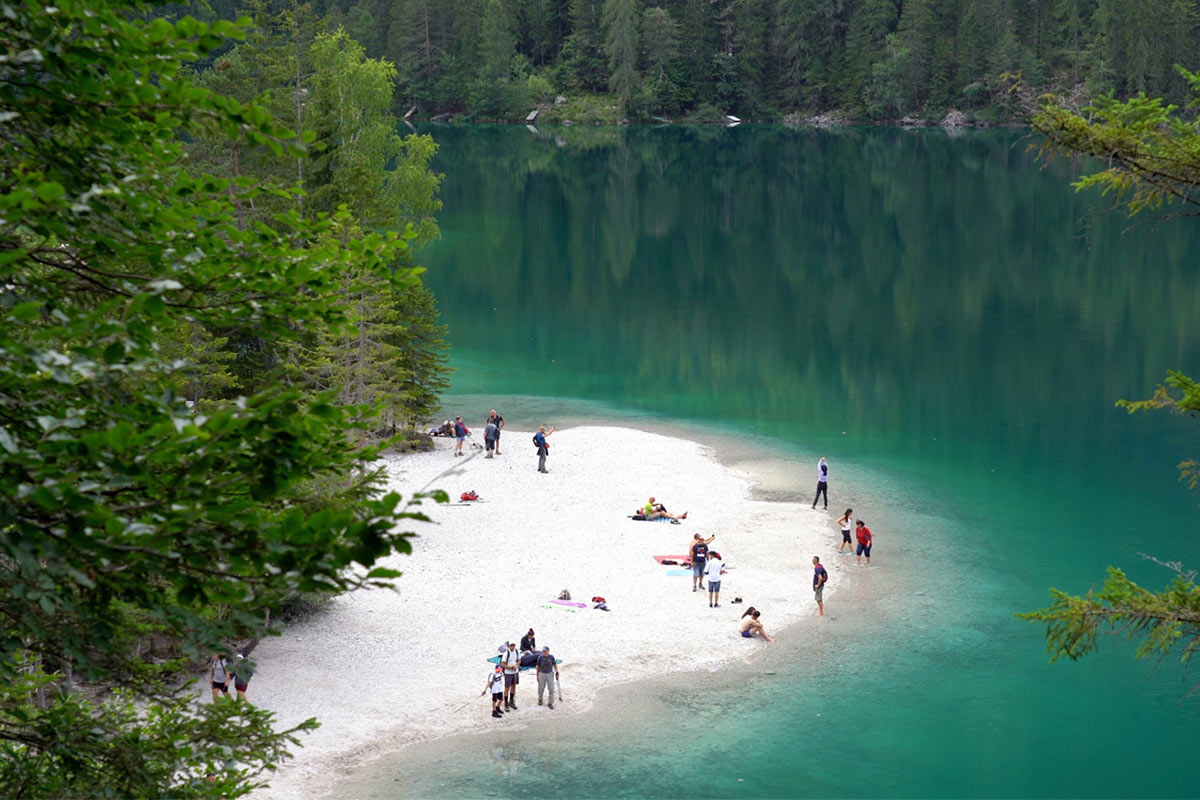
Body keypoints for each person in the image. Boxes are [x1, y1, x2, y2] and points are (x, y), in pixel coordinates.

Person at [501, 641, 521, 709]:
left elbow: (519, 660)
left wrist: (516, 665)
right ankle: (506, 703)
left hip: (515, 672)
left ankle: (511, 701)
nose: (512, 646)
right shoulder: (506, 653)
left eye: (513, 645)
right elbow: (503, 664)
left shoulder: (517, 652)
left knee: (514, 686)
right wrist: (511, 667)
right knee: (507, 688)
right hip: (508, 673)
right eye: (511, 645)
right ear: (509, 646)